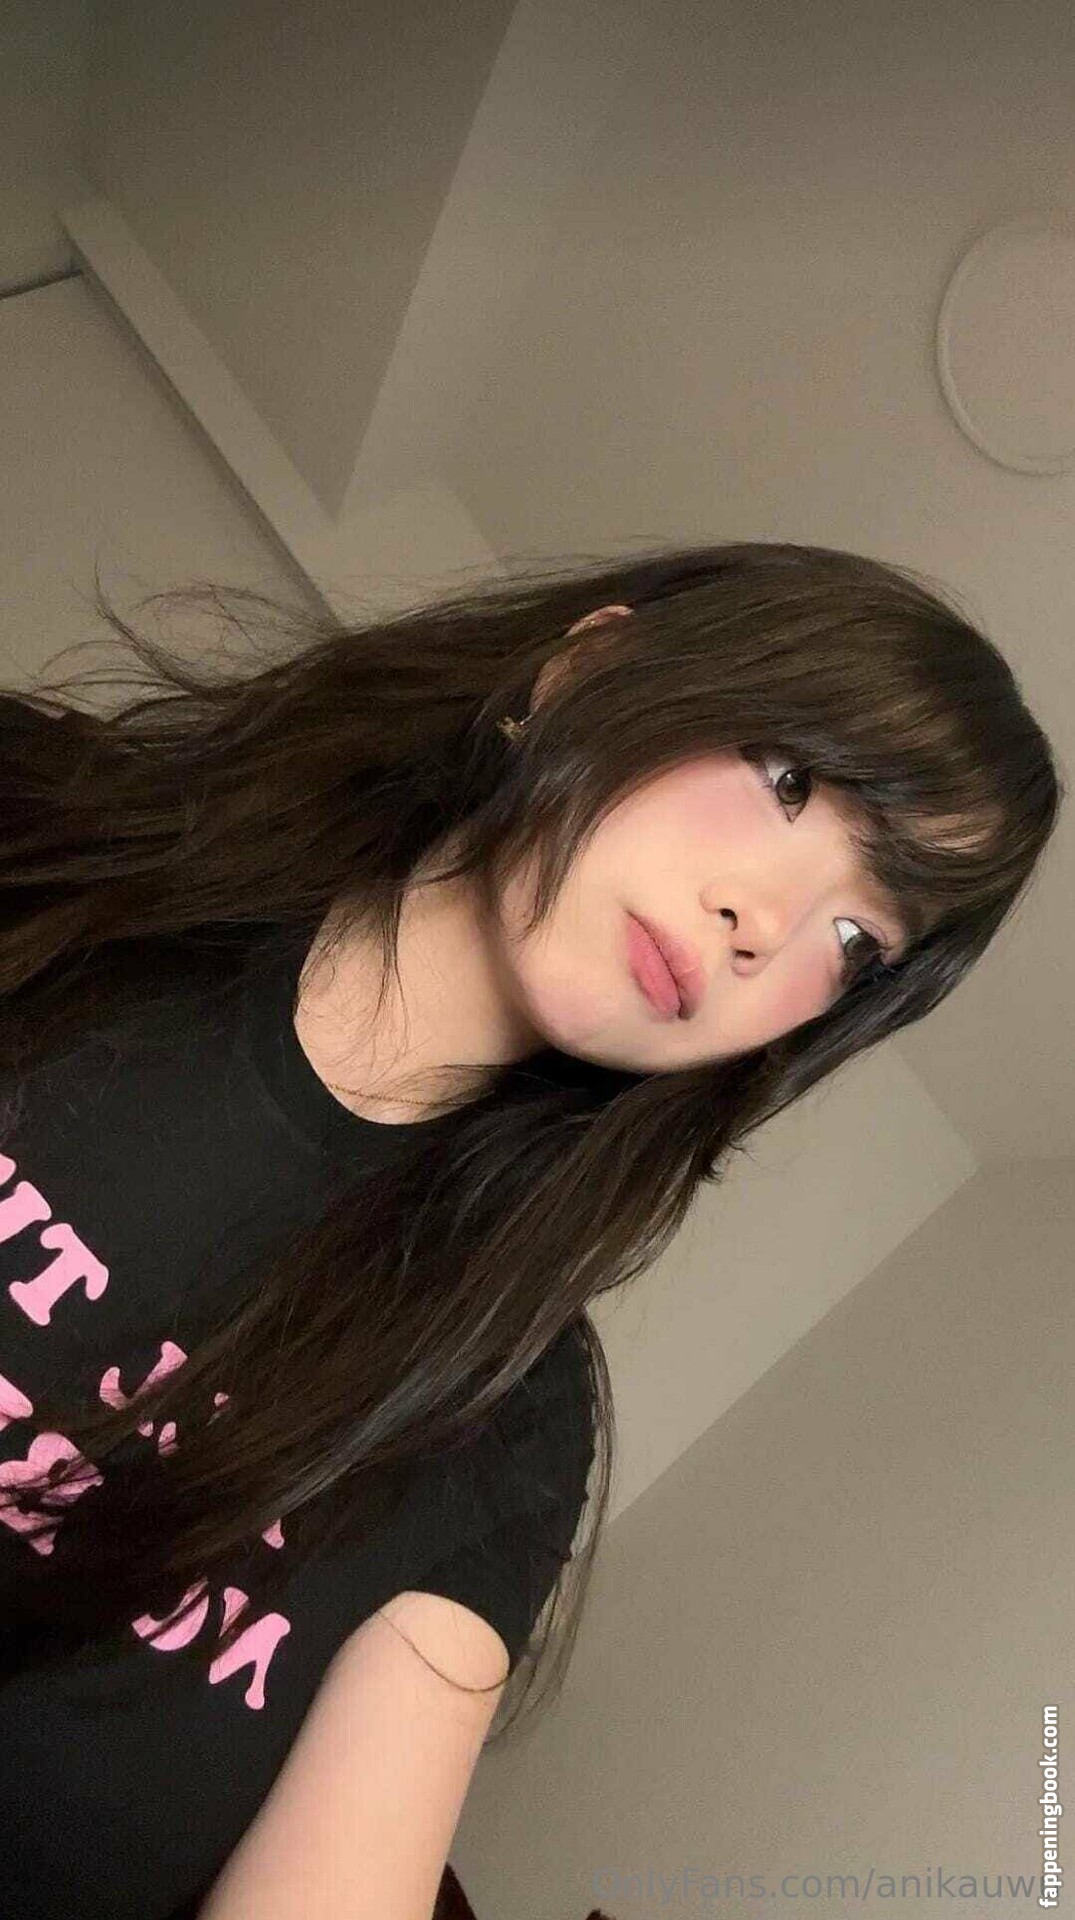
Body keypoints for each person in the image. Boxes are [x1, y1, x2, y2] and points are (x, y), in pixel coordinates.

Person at [0, 540, 1063, 1919]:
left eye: (859, 941)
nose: (765, 925)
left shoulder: (508, 1428)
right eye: (788, 779)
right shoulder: (46, 850)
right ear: (583, 669)